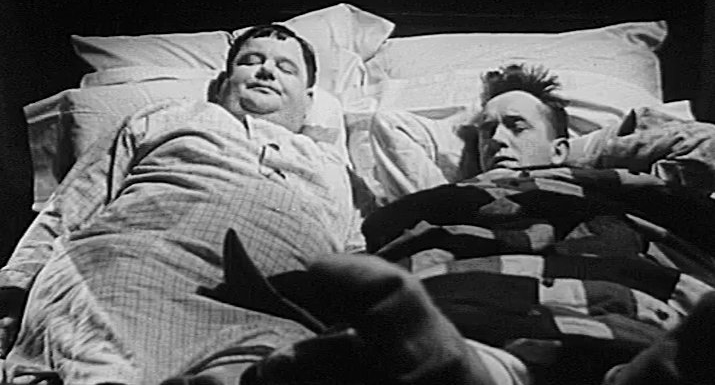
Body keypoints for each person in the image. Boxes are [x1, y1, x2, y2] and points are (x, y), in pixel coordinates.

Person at [241, 63, 715, 385]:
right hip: (466, 294)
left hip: (622, 290)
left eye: (517, 125)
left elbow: (703, 148)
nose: (497, 139)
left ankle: (464, 366)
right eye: (486, 130)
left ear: (560, 147)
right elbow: (385, 125)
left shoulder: (604, 181)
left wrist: (582, 156)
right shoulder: (443, 196)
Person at [0, 24, 366, 385]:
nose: (266, 71)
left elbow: (356, 259)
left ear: (308, 100)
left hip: (276, 304)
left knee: (289, 365)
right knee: (111, 361)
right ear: (223, 82)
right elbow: (73, 203)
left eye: (286, 68)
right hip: (131, 277)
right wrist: (15, 287)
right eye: (251, 61)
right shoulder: (165, 117)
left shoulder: (331, 167)